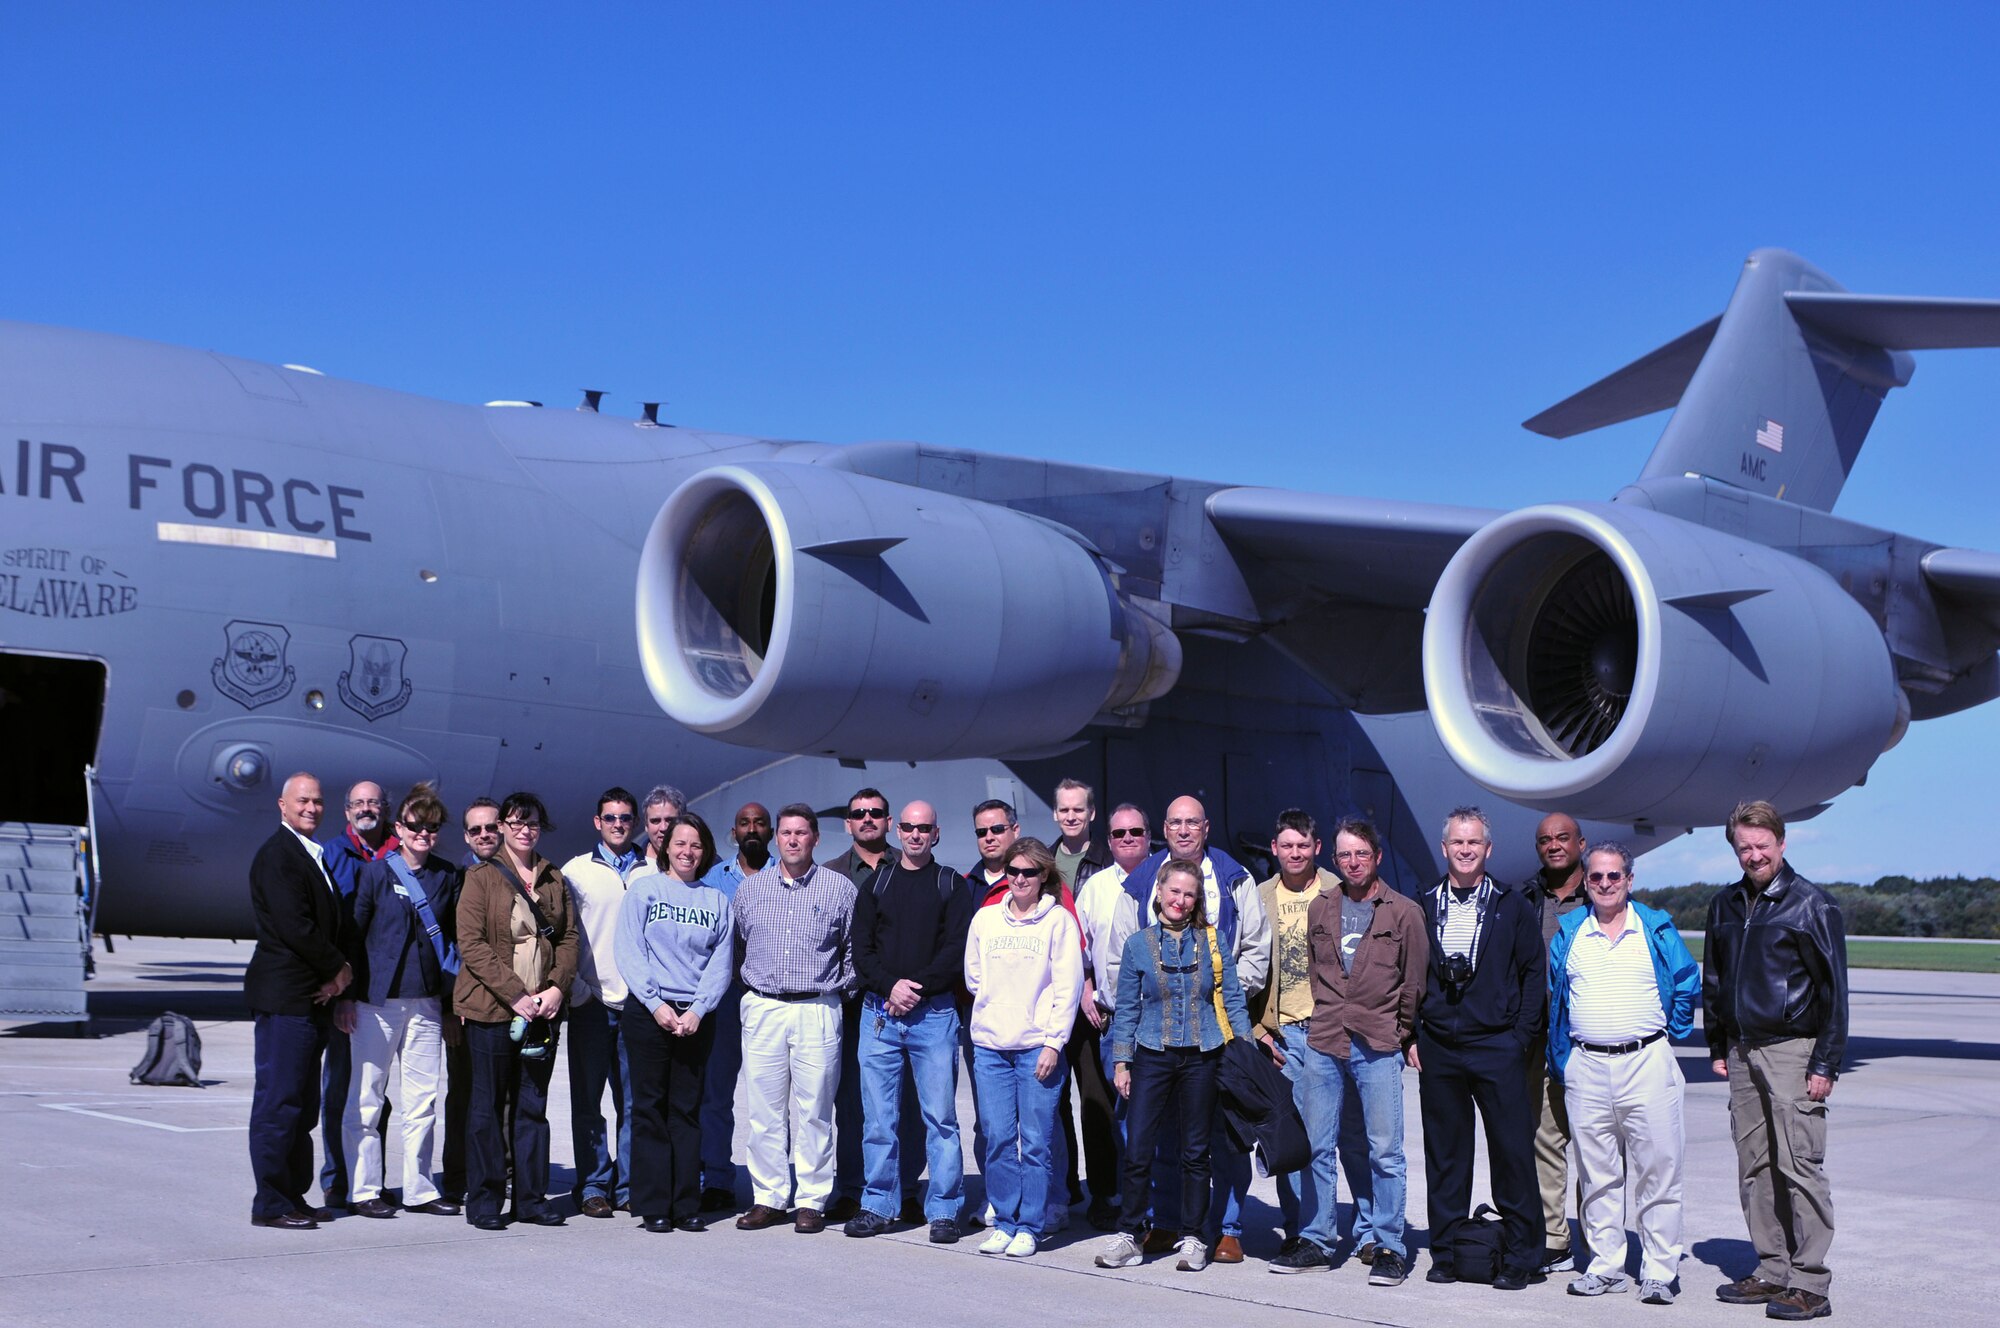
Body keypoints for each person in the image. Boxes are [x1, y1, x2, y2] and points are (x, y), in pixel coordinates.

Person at [1704, 802, 1848, 1322]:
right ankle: (1771, 1269)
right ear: (1734, 848)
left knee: (1799, 1166)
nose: (1754, 854)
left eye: (1763, 844)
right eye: (1745, 846)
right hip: (1741, 1053)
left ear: (1782, 844)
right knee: (1754, 1166)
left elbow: (1835, 991)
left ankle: (1810, 1282)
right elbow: (1715, 981)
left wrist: (1826, 1062)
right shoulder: (1724, 904)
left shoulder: (1812, 905)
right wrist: (1718, 1046)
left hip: (1793, 1050)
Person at [1274, 817, 1425, 1284]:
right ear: (1333, 859)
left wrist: (1397, 1032)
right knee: (1316, 1148)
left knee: (1384, 1151)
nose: (1353, 861)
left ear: (1377, 857)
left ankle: (1389, 1246)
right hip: (1324, 1041)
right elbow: (1319, 975)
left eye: (1361, 853)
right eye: (1344, 854)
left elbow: (1414, 983)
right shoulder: (1320, 909)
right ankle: (1318, 1240)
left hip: (1377, 1044)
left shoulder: (1403, 912)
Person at [1549, 842, 1699, 1305]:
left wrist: (1667, 1035)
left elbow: (1686, 979)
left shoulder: (1654, 928)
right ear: (1586, 883)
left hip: (1646, 1063)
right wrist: (1567, 1060)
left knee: (1659, 1172)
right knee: (1598, 1175)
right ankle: (1607, 1265)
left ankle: (1658, 1270)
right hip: (1588, 1066)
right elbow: (1556, 996)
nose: (1606, 884)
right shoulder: (1569, 933)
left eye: (1615, 876)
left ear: (1629, 880)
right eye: (1596, 877)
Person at [1122, 794, 1269, 1262]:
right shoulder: (1141, 899)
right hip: (1154, 1042)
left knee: (1210, 1145)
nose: (1184, 831)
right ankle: (1155, 1225)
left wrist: (1235, 1034)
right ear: (1165, 829)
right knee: (1151, 1143)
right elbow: (1125, 983)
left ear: (1206, 827)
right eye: (1176, 823)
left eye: (1193, 823)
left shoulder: (1231, 885)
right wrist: (1122, 1055)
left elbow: (1248, 962)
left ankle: (1217, 1229)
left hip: (1210, 1042)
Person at [1094, 857, 1252, 1273]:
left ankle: (1195, 1237)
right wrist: (1122, 1062)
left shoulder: (1212, 943)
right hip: (1151, 1052)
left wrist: (1246, 1053)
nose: (1180, 900)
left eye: (1189, 894)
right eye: (1174, 891)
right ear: (1159, 892)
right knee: (1139, 1146)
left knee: (1196, 1152)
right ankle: (1130, 1233)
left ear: (1197, 899)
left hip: (1203, 1055)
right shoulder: (1137, 945)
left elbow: (1232, 1000)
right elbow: (1126, 1007)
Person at [1415, 806, 1545, 1290]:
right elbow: (1410, 971)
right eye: (1457, 842)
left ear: (1488, 850)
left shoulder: (1511, 906)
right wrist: (1413, 1033)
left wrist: (1519, 1038)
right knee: (1446, 1156)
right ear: (1444, 847)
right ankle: (1446, 1252)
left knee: (1511, 1153)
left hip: (1497, 1045)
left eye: (1474, 843)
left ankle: (1522, 1255)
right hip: (1440, 1046)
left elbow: (1535, 974)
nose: (1465, 850)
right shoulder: (1425, 901)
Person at [845, 799, 973, 1243]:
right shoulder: (877, 883)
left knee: (940, 1118)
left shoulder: (950, 885)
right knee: (879, 1119)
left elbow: (955, 951)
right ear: (898, 832)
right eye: (908, 827)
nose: (916, 835)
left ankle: (944, 1210)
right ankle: (878, 1204)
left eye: (924, 828)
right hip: (879, 1015)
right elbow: (861, 950)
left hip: (933, 1015)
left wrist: (912, 987)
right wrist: (889, 988)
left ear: (936, 834)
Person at [335, 782, 462, 1218]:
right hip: (376, 1002)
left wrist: (447, 1007)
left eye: (431, 827)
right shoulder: (374, 874)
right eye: (415, 826)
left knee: (422, 1101)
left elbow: (455, 947)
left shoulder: (447, 876)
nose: (423, 834)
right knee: (367, 1097)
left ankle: (420, 1189)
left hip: (425, 1002)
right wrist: (347, 997)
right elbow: (353, 938)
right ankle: (364, 1189)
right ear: (399, 828)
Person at [454, 792, 578, 1230]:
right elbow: (471, 944)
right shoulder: (481, 877)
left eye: (533, 823)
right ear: (503, 827)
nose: (525, 830)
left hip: (542, 1012)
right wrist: (515, 994)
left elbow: (568, 939)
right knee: (487, 1106)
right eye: (516, 822)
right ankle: (485, 1200)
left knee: (532, 1106)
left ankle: (531, 1198)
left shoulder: (553, 878)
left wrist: (555, 989)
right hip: (493, 1010)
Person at [732, 803, 857, 1234]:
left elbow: (853, 950)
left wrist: (838, 988)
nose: (792, 840)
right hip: (764, 1006)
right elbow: (740, 945)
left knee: (816, 1111)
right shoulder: (750, 891)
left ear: (815, 839)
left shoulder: (839, 889)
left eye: (801, 833)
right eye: (785, 833)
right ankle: (768, 1197)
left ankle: (811, 1200)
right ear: (776, 838)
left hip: (817, 1008)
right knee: (764, 1111)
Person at [963, 837, 1083, 1258]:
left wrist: (1053, 1043)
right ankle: (1006, 1220)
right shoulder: (986, 920)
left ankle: (1031, 1224)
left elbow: (1068, 989)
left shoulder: (1058, 923)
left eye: (1028, 872)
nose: (1019, 879)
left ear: (1043, 875)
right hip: (992, 1047)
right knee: (997, 1137)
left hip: (1037, 1048)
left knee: (1035, 1141)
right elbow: (973, 977)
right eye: (1013, 871)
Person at [615, 813, 735, 1233]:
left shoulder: (717, 901)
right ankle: (653, 1205)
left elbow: (721, 963)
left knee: (686, 1110)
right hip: (650, 1014)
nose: (687, 852)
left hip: (695, 1018)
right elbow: (629, 950)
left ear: (705, 852)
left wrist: (698, 1010)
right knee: (649, 1108)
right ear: (665, 847)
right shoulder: (645, 890)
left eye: (696, 845)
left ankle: (686, 1203)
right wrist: (655, 1004)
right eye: (680, 843)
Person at [245, 773, 351, 1229]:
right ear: (282, 805)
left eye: (318, 801)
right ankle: (270, 1201)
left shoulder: (312, 854)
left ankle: (292, 1193)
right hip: (287, 997)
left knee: (303, 1105)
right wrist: (339, 969)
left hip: (311, 999)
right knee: (279, 1102)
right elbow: (296, 927)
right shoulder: (279, 856)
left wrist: (331, 981)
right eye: (302, 800)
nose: (311, 807)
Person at [560, 786, 649, 1218]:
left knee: (633, 1104)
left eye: (625, 818)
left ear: (635, 823)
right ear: (597, 822)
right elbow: (560, 933)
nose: (618, 824)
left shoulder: (651, 871)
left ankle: (629, 1184)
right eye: (610, 818)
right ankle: (593, 1184)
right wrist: (577, 988)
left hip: (637, 1005)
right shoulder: (576, 871)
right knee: (588, 1101)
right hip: (591, 1003)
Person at [316, 779, 399, 1209]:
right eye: (359, 803)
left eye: (374, 802)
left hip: (391, 995)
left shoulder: (401, 853)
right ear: (347, 811)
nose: (367, 808)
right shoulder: (331, 855)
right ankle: (337, 1178)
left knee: (377, 1096)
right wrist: (339, 988)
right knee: (341, 1090)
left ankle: (371, 1178)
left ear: (385, 809)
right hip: (348, 993)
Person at [1073, 801, 1149, 1229]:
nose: (1127, 840)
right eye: (1119, 834)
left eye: (1135, 832)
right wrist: (1085, 989)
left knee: (1154, 1115)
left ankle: (1157, 1204)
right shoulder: (1096, 888)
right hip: (1114, 1019)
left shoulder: (1167, 880)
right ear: (1109, 840)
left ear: (1148, 836)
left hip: (1159, 1019)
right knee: (1119, 1115)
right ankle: (1127, 1200)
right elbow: (1079, 950)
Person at [1525, 812, 1590, 1273]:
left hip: (1589, 1041)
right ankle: (1554, 1237)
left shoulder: (1606, 895)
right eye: (1545, 840)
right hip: (1541, 1040)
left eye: (1563, 838)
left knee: (1593, 1144)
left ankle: (1597, 1237)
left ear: (1580, 844)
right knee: (1546, 1138)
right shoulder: (1528, 898)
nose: (1554, 845)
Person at [698, 800, 771, 1211]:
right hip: (724, 1000)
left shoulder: (786, 875)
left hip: (768, 1000)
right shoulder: (712, 880)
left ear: (771, 831)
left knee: (771, 1098)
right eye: (745, 823)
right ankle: (718, 1179)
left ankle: (771, 1185)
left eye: (760, 823)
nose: (752, 829)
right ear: (734, 832)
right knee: (716, 1094)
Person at [1049, 778, 1116, 1222]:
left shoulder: (1108, 861)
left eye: (1079, 810)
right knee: (1054, 1102)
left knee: (1096, 1101)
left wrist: (1091, 981)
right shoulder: (1042, 861)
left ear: (1091, 813)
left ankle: (1107, 1192)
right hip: (1054, 1001)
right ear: (1056, 814)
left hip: (1090, 1003)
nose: (1071, 816)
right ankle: (1065, 1188)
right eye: (1064, 810)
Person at [828, 788, 895, 1223]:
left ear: (888, 821)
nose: (867, 819)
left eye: (875, 813)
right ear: (848, 823)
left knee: (901, 1103)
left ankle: (903, 1187)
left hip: (900, 1000)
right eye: (858, 814)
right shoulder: (830, 873)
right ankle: (852, 1187)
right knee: (850, 1101)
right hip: (849, 1002)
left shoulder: (909, 866)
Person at [441, 796, 502, 1205]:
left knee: (507, 1096)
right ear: (466, 835)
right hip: (467, 1005)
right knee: (465, 1093)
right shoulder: (455, 879)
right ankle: (458, 1174)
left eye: (491, 827)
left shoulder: (522, 873)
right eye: (476, 829)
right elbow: (446, 947)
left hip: (511, 1005)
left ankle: (504, 1170)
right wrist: (449, 1007)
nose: (485, 835)